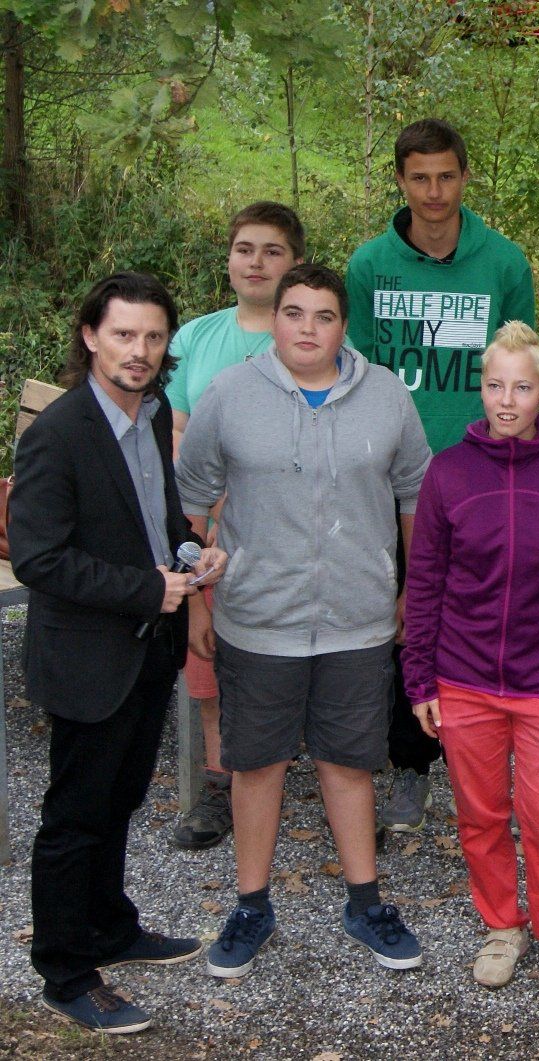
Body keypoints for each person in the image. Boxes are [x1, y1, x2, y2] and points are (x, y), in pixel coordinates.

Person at [177, 264, 432, 979]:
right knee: (256, 765)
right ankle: (251, 907)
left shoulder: (386, 394)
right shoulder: (230, 393)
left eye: (324, 316)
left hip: (358, 621)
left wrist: (411, 589)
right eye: (294, 313)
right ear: (275, 318)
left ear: (344, 326)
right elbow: (190, 500)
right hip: (257, 619)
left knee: (348, 763)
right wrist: (194, 599)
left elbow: (415, 492)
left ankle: (366, 904)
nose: (307, 329)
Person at [12, 272, 226, 1033]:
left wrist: (193, 551)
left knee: (119, 800)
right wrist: (146, 589)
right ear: (90, 336)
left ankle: (108, 926)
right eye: (124, 334)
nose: (139, 350)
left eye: (153, 336)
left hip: (145, 652)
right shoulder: (59, 433)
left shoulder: (152, 413)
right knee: (74, 818)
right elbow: (38, 558)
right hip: (88, 659)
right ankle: (66, 971)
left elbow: (153, 516)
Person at [403, 321, 539, 1003]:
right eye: (495, 385)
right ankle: (501, 923)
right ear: (482, 389)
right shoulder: (449, 472)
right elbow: (425, 581)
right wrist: (419, 678)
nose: (506, 400)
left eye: (521, 387)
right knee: (481, 813)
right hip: (463, 679)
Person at [346, 117, 537, 832]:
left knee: (484, 613)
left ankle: (483, 759)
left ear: (464, 177)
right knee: (407, 616)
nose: (433, 192)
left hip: (480, 472)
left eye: (446, 176)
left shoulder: (504, 263)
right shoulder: (370, 266)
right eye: (420, 178)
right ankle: (410, 762)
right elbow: (357, 374)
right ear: (400, 180)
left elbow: (522, 366)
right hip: (391, 477)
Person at [164, 200, 306, 851]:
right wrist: (211, 513)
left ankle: (295, 770)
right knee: (209, 660)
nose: (256, 262)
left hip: (286, 529)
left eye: (272, 251)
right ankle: (221, 783)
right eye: (245, 249)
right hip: (207, 530)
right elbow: (175, 432)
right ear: (228, 259)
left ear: (295, 262)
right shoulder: (195, 338)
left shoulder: (310, 337)